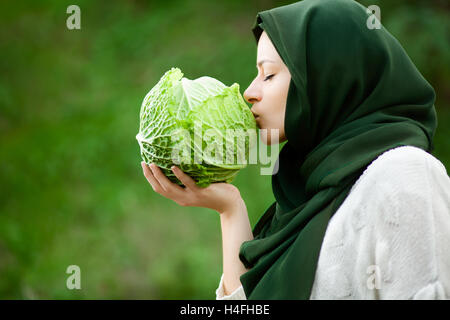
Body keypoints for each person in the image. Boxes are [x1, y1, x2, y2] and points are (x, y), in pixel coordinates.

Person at [141, 0, 450, 299]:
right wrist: (230, 209)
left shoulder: (404, 175)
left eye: (269, 74)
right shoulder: (301, 197)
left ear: (325, 76)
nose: (249, 92)